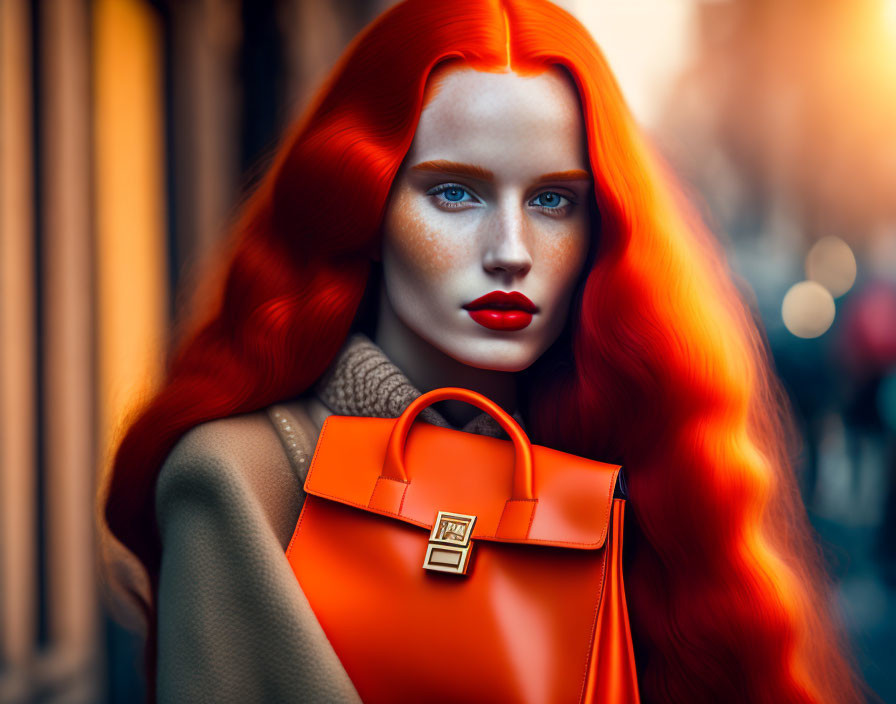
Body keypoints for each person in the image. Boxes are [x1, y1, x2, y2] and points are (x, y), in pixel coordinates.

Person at [101, 1, 866, 702]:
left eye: (553, 200)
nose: (511, 251)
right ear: (364, 207)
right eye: (455, 193)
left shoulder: (635, 460)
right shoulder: (242, 476)